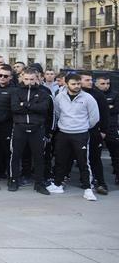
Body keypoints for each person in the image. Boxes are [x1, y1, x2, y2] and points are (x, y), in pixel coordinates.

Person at [49, 73, 99, 201]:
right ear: (66, 84)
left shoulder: (88, 98)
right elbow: (57, 113)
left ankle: (88, 189)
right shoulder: (59, 97)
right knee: (60, 160)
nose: (76, 86)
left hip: (81, 134)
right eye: (73, 84)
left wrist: (82, 126)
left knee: (83, 162)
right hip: (63, 133)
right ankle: (58, 185)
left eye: (78, 83)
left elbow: (94, 118)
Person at [9, 68, 51, 194]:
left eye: (32, 79)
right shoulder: (16, 92)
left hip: (37, 128)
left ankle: (39, 183)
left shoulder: (43, 93)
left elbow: (43, 108)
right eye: (26, 79)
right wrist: (32, 106)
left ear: (37, 78)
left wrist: (25, 104)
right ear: (22, 78)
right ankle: (13, 180)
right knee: (15, 155)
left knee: (39, 157)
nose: (29, 82)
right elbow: (15, 108)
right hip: (19, 127)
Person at [80, 71, 111, 194]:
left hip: (94, 131)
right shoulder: (74, 94)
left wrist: (103, 130)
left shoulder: (98, 95)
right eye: (87, 80)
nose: (90, 82)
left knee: (95, 158)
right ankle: (85, 180)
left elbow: (105, 114)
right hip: (77, 131)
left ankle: (101, 183)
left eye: (91, 80)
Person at [0, 65, 16, 179]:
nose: (2, 78)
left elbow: (14, 109)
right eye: (0, 75)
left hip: (7, 125)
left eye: (5, 76)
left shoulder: (14, 90)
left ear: (10, 77)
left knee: (7, 150)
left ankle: (9, 174)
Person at [96, 76, 119, 185]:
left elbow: (116, 109)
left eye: (108, 83)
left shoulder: (115, 94)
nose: (106, 86)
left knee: (115, 153)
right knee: (95, 154)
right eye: (103, 83)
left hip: (111, 127)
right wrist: (108, 106)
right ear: (97, 84)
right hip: (97, 127)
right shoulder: (93, 94)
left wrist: (104, 108)